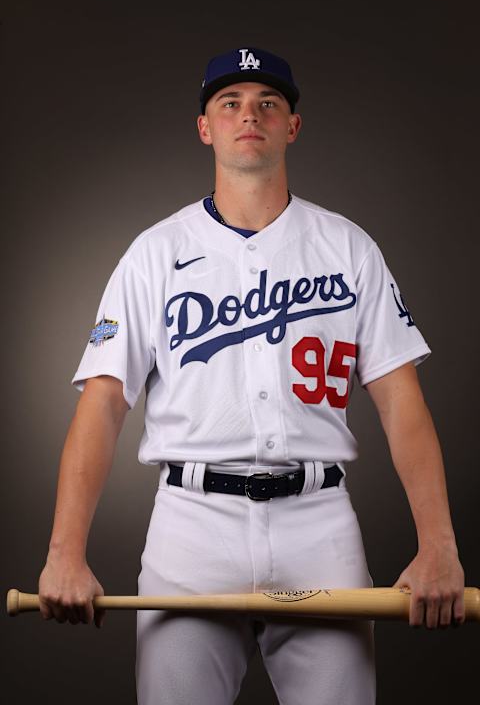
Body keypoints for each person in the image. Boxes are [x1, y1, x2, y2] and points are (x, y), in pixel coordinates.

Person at [38, 47, 465, 705]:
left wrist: (439, 544)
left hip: (319, 525)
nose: (250, 115)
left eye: (269, 103)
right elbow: (102, 406)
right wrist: (65, 551)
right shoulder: (154, 254)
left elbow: (401, 403)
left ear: (292, 127)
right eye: (230, 103)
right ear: (204, 126)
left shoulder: (349, 248)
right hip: (190, 527)